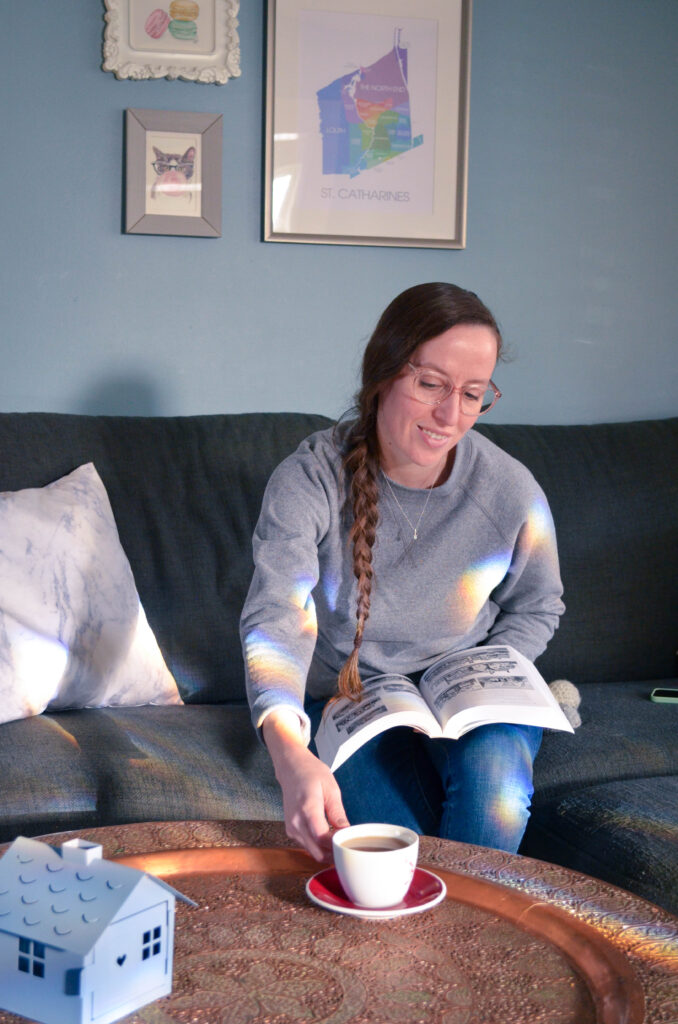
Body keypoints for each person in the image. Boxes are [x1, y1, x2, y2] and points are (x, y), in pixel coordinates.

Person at [240, 282, 564, 863]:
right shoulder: (311, 479)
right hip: (352, 698)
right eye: (431, 384)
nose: (450, 415)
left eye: (472, 394)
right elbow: (276, 617)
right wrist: (290, 754)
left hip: (466, 690)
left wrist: (490, 675)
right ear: (384, 372)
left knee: (500, 793)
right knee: (398, 847)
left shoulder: (510, 489)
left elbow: (539, 604)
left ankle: (456, 941)